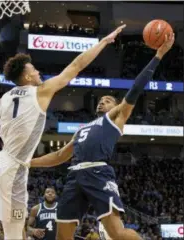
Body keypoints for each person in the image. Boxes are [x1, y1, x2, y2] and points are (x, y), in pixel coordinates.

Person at [30, 33, 175, 240]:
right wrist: (28, 163)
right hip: (74, 176)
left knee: (117, 233)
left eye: (107, 100)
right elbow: (60, 155)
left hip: (98, 173)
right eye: (100, 100)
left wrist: (158, 55)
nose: (102, 102)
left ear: (116, 107)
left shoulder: (115, 119)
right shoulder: (82, 129)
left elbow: (134, 90)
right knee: (62, 237)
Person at [0, 24, 126, 240]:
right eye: (34, 70)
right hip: (13, 169)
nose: (38, 71)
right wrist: (104, 41)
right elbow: (76, 65)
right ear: (27, 77)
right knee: (13, 234)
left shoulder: (5, 98)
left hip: (4, 159)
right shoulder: (40, 91)